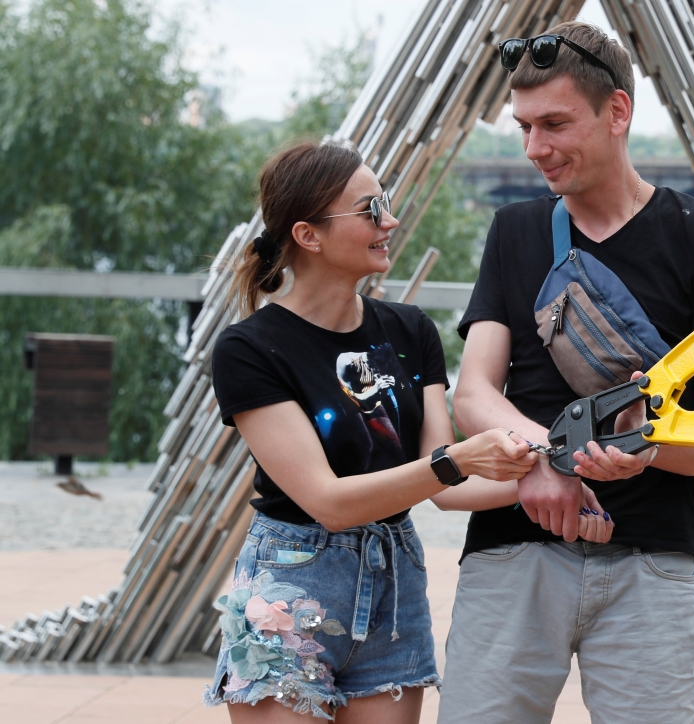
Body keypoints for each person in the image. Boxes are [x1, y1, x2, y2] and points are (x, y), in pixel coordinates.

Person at [203, 140, 617, 723]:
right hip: (290, 589)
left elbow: (446, 488)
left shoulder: (410, 330)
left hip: (393, 581)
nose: (389, 221)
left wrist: (555, 472)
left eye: (386, 204)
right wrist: (459, 461)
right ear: (308, 235)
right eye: (370, 209)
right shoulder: (250, 350)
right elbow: (329, 502)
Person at [438, 22, 694, 724]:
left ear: (618, 112)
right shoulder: (516, 229)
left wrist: (632, 456)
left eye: (554, 123)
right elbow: (474, 392)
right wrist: (550, 458)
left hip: (653, 561)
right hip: (512, 550)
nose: (535, 149)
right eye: (524, 127)